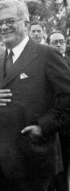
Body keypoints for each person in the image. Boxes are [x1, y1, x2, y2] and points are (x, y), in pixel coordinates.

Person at [0, 1, 70, 191]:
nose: (4, 27)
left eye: (10, 21)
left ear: (26, 22)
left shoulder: (47, 55)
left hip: (34, 160)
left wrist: (44, 127)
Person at [46, 30, 70, 191]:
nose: (59, 45)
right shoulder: (45, 63)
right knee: (53, 169)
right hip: (53, 123)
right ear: (48, 44)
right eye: (55, 42)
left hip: (68, 124)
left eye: (62, 41)